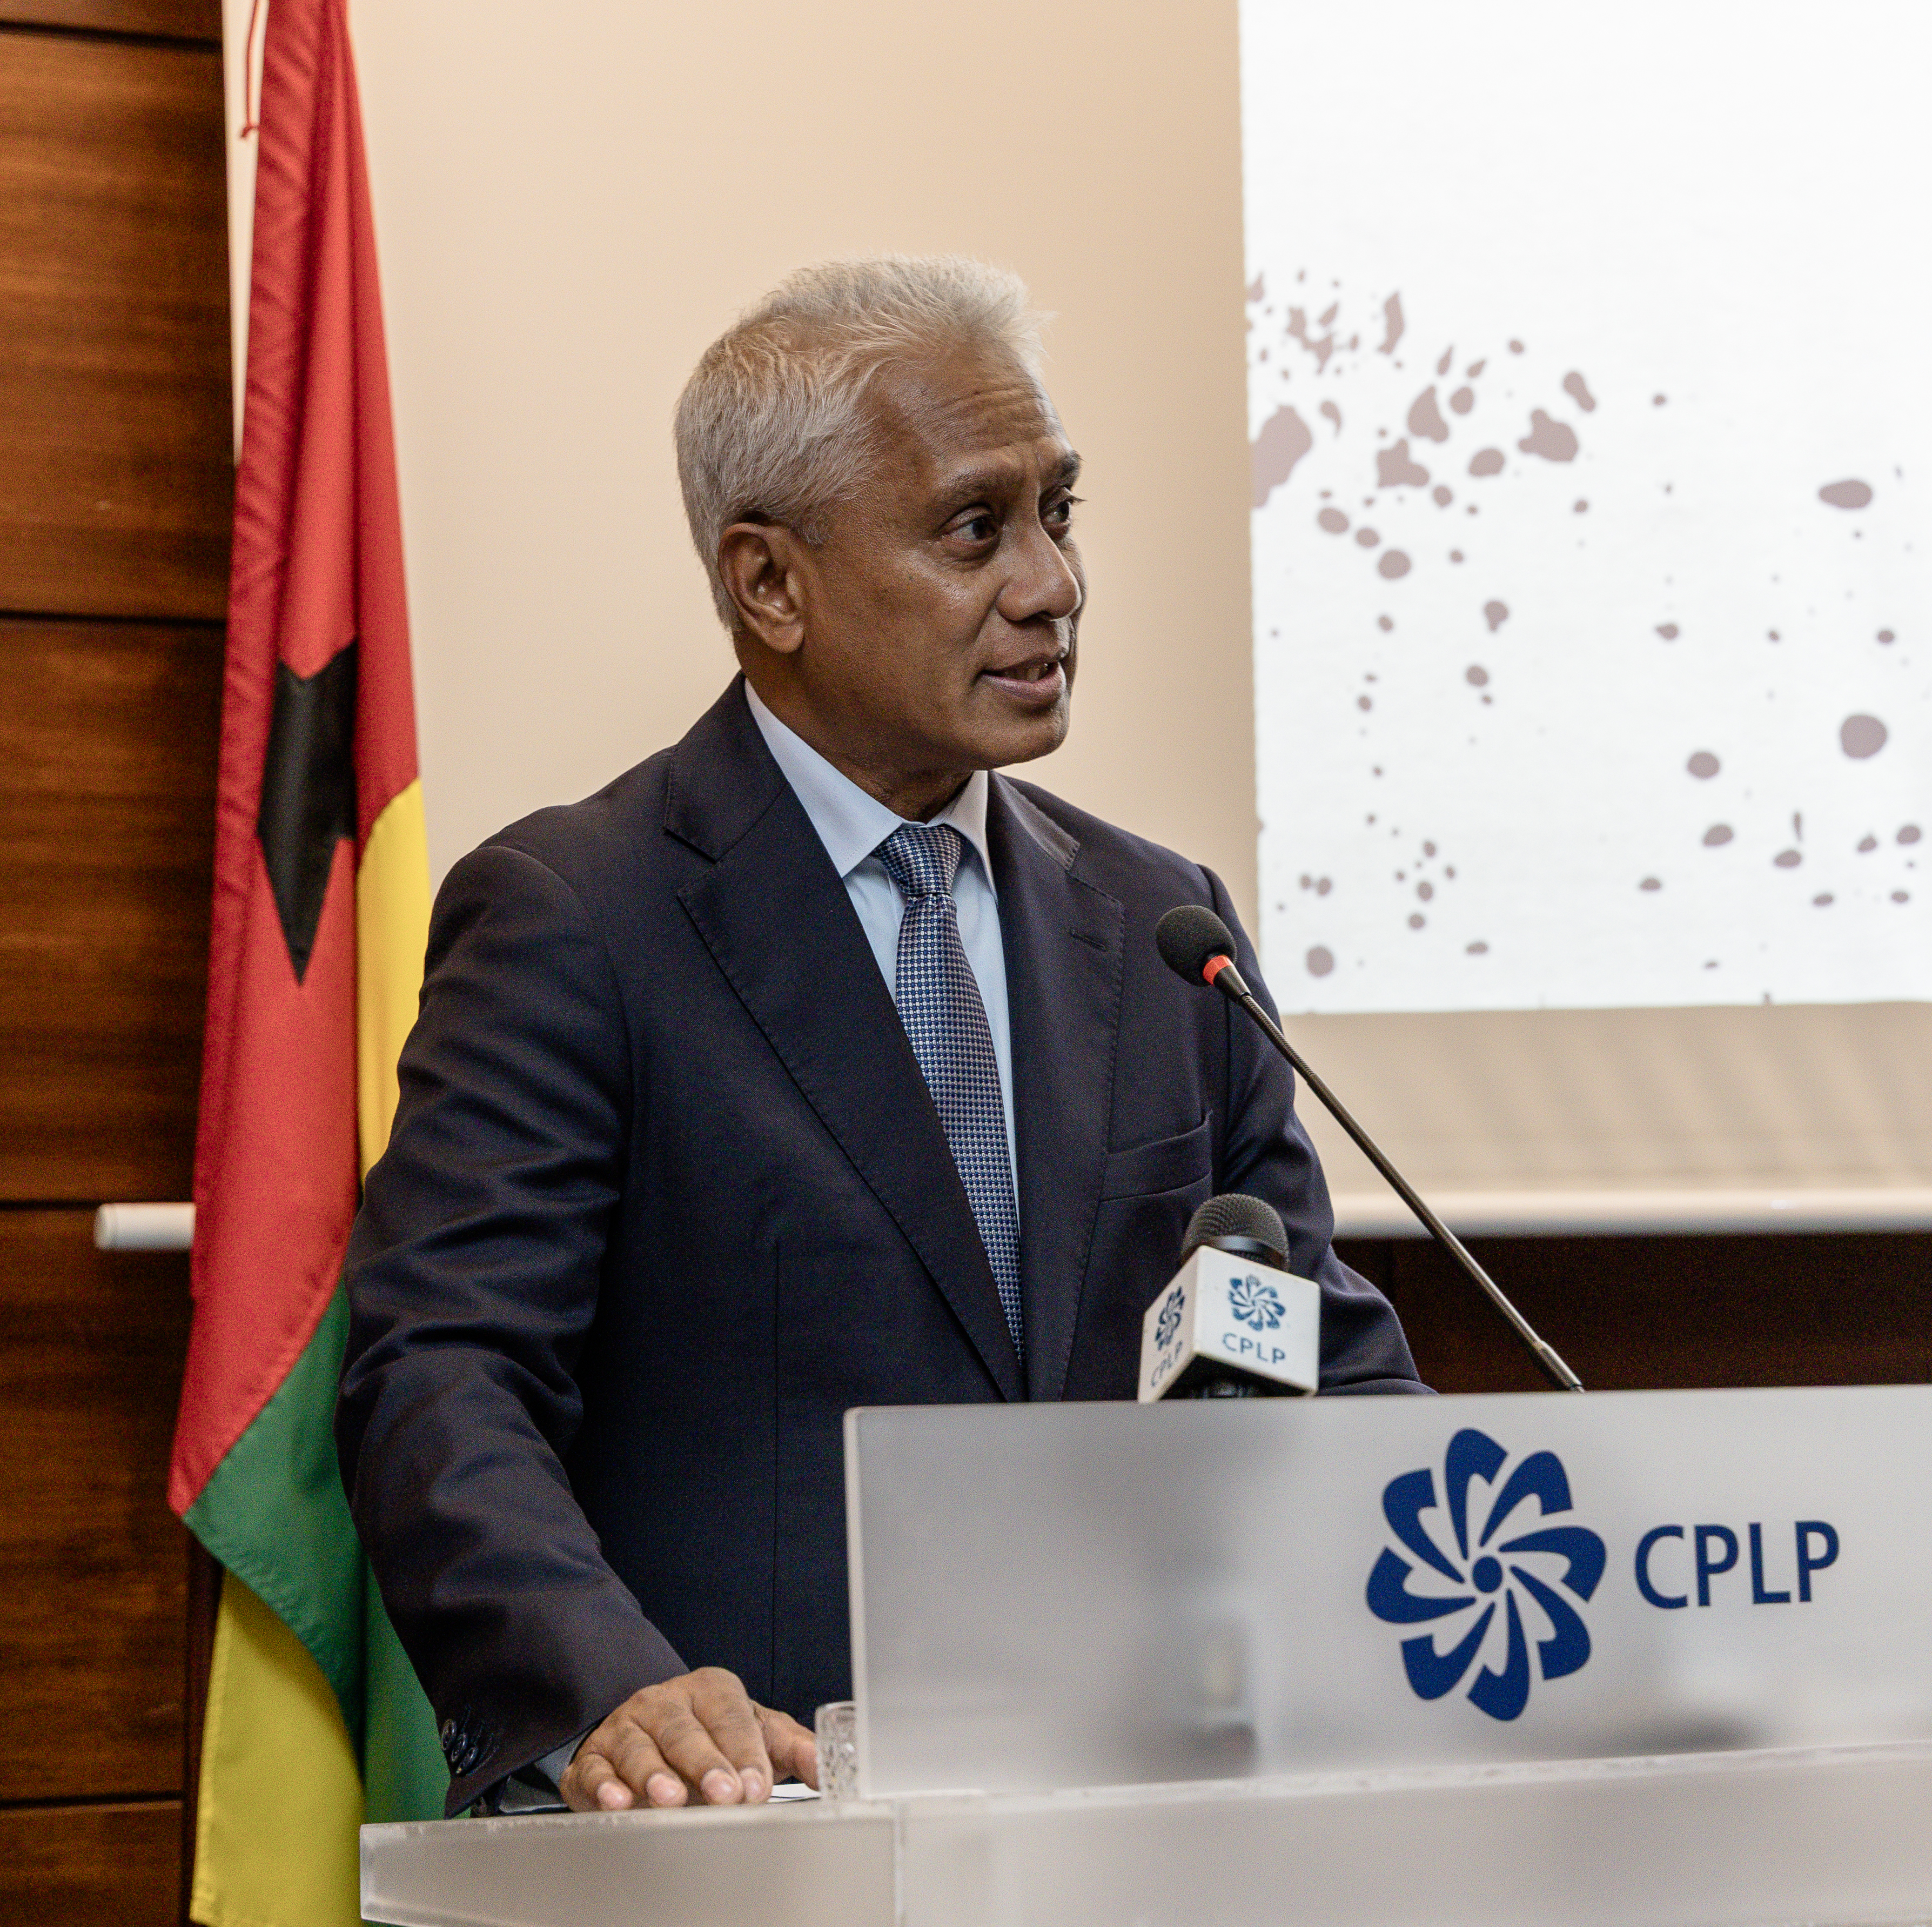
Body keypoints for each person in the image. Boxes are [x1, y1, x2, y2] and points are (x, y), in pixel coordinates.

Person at [337, 256, 1425, 1818]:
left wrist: (1505, 1565)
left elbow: (1310, 1349)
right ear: (770, 584)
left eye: (1060, 510)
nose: (1054, 582)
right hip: (740, 1846)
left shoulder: (1160, 923)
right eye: (978, 528)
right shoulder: (579, 916)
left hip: (1127, 1828)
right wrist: (608, 1688)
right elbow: (444, 1372)